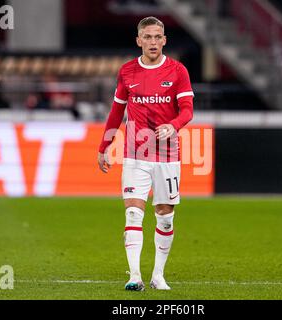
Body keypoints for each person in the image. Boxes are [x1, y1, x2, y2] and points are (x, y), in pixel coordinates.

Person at [97, 16, 194, 291]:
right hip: (135, 155)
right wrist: (104, 146)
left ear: (164, 40)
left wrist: (173, 126)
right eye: (147, 37)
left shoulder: (177, 71)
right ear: (139, 40)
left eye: (157, 37)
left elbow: (187, 110)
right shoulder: (127, 71)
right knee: (132, 214)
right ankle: (135, 276)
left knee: (164, 215)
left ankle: (158, 275)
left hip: (167, 156)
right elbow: (117, 111)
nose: (153, 42)